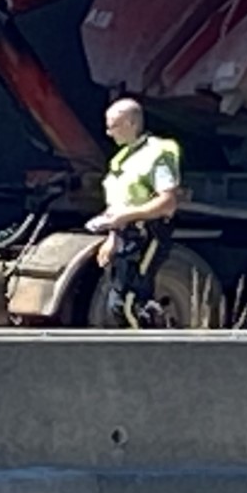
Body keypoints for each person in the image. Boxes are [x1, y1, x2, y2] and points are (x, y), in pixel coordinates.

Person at [84, 97, 182, 327]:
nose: (108, 132)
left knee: (130, 303)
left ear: (130, 123)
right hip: (124, 234)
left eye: (113, 126)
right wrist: (112, 237)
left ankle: (147, 356)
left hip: (147, 234)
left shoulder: (157, 154)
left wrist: (124, 218)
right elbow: (120, 202)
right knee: (117, 302)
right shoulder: (123, 157)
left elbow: (168, 203)